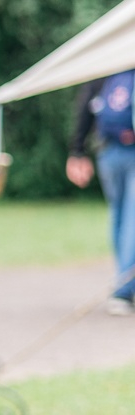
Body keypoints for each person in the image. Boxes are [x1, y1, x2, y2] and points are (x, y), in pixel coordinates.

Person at [67, 67, 135, 313]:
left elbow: (86, 103)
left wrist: (77, 150)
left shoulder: (108, 63)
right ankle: (124, 290)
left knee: (119, 215)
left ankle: (125, 281)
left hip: (107, 151)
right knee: (131, 217)